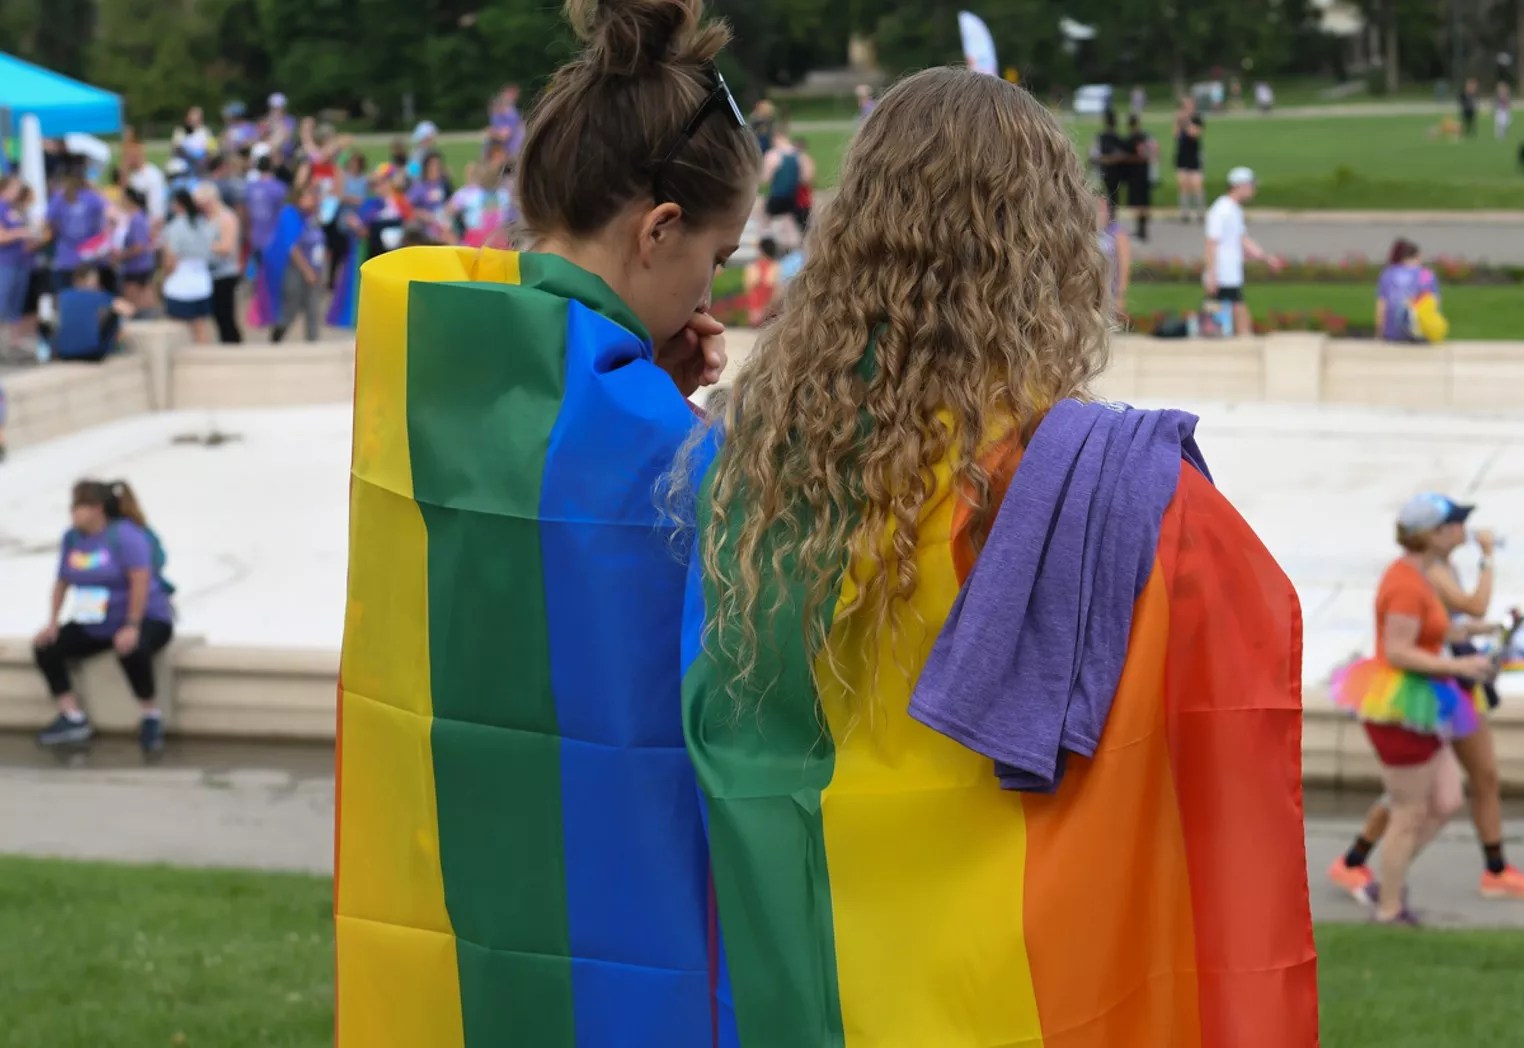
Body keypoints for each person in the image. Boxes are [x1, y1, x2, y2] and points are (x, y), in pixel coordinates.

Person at [676, 65, 1315, 1043]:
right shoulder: (1112, 494)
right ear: (1050, 251)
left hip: (824, 972)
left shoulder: (755, 471)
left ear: (853, 237)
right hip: (1015, 986)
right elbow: (1243, 660)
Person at [333, 0, 761, 1039]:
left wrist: (644, 384)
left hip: (445, 887)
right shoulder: (668, 451)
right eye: (720, 253)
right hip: (616, 911)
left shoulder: (424, 363)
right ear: (659, 228)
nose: (719, 284)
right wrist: (685, 419)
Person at [1329, 514, 1524, 903]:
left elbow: (1461, 621)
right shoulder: (1424, 573)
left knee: (1459, 783)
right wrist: (1487, 557)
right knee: (1418, 793)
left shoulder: (1435, 568)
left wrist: (1486, 632)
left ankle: (1493, 869)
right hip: (1436, 688)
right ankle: (1364, 868)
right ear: (1432, 535)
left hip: (1451, 684)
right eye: (1455, 524)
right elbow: (1474, 605)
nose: (1463, 530)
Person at [33, 480, 175, 758]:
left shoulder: (125, 536)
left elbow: (140, 580)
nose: (72, 512)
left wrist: (132, 625)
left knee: (131, 649)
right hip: (96, 621)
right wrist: (52, 622)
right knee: (47, 647)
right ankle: (72, 717)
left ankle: (150, 716)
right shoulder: (72, 539)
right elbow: (62, 581)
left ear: (97, 509)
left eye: (79, 506)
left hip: (146, 617)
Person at [1204, 166, 1281, 336]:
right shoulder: (1221, 210)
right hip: (1222, 272)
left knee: (1224, 309)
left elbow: (1241, 240)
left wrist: (1265, 258)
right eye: (1251, 185)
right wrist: (1212, 273)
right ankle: (1244, 337)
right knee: (1233, 307)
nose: (1253, 189)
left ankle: (1236, 337)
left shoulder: (1233, 209)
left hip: (1229, 271)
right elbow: (1211, 242)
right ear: (1240, 186)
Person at [266, 181, 326, 343]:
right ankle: (276, 338)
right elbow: (292, 247)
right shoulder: (289, 214)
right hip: (296, 268)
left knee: (313, 308)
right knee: (290, 308)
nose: (313, 199)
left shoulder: (312, 216)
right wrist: (307, 271)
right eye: (308, 196)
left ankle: (313, 343)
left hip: (314, 267)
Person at [160, 188, 216, 344]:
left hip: (181, 283)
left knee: (176, 327)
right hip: (202, 281)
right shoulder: (203, 223)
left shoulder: (175, 227)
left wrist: (164, 276)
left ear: (177, 204)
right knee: (200, 327)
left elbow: (170, 260)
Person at [49, 267, 135, 361]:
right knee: (114, 313)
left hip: (63, 353)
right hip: (92, 353)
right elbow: (129, 310)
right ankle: (116, 347)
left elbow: (46, 321)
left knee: (54, 318)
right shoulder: (99, 295)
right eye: (94, 281)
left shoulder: (61, 295)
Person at [46, 163, 108, 292]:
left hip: (65, 255)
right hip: (89, 254)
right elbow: (107, 219)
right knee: (89, 294)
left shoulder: (58, 197)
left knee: (66, 294)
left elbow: (48, 221)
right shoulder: (92, 197)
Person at [194, 182, 243, 343]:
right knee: (216, 315)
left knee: (225, 314)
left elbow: (227, 246)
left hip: (225, 273)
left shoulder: (226, 217)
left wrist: (204, 246)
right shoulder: (203, 219)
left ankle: (233, 344)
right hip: (209, 272)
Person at [1375, 238, 1441, 343]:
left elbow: (1381, 306)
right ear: (1418, 255)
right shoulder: (1426, 274)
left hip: (1392, 334)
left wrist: (1379, 332)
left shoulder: (1388, 274)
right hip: (1419, 333)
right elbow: (1434, 304)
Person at [762, 130, 813, 244]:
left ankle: (766, 244)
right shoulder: (798, 154)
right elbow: (806, 177)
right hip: (792, 195)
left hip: (777, 193)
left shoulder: (773, 155)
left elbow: (766, 178)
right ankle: (792, 247)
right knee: (789, 221)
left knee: (766, 219)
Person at [0, 175, 32, 354]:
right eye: (16, 188)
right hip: (5, 263)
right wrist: (20, 233)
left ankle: (14, 342)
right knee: (2, 303)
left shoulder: (15, 209)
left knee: (16, 304)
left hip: (20, 262)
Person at [113, 188, 157, 313]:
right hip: (137, 265)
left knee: (135, 300)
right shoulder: (135, 217)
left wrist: (121, 255)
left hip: (137, 266)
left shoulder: (137, 219)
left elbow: (139, 246)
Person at [1173, 95, 1205, 222]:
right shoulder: (1178, 120)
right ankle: (1184, 212)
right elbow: (1175, 135)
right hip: (1182, 154)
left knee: (1196, 184)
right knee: (1183, 184)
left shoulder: (1197, 119)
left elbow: (1194, 133)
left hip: (1194, 154)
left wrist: (1186, 121)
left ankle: (1200, 211)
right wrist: (1178, 122)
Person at [1125, 113, 1156, 241]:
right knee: (1144, 201)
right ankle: (1143, 228)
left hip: (1135, 175)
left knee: (1138, 203)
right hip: (1145, 173)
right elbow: (1153, 152)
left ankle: (1140, 229)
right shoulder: (1145, 137)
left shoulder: (1130, 139)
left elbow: (1127, 156)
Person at [1097, 191, 1129, 313]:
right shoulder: (1085, 232)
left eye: (1101, 209)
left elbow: (1124, 265)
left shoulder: (1117, 234)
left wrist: (1120, 295)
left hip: (1109, 289)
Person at [124, 141, 168, 227]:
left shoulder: (152, 174)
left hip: (152, 221)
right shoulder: (134, 176)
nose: (126, 161)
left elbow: (156, 204)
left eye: (128, 157)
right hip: (140, 219)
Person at [743, 235, 781, 325]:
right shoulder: (775, 267)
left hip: (763, 309)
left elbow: (749, 289)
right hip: (763, 309)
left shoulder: (753, 267)